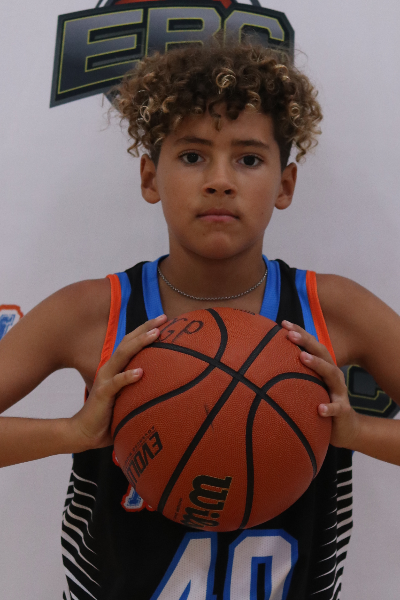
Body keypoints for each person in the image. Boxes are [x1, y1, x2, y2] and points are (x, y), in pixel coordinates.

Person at [1, 41, 400, 600]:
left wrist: (357, 432)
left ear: (285, 185)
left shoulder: (330, 309)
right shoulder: (92, 312)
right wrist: (73, 433)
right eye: (192, 156)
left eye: (249, 159)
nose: (219, 180)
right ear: (150, 177)